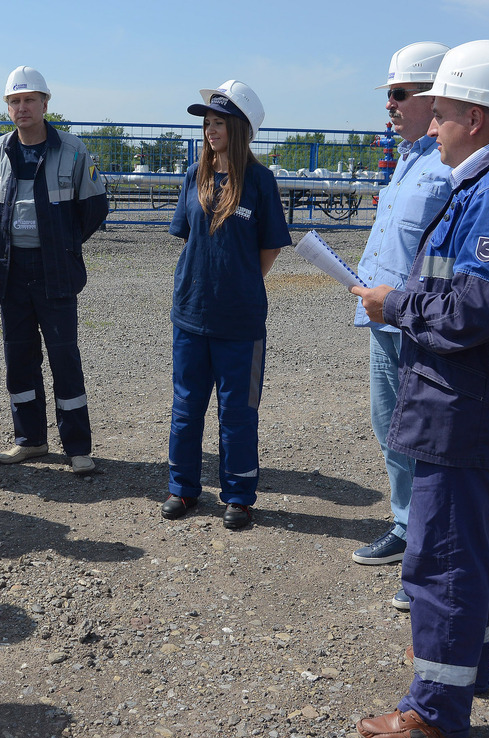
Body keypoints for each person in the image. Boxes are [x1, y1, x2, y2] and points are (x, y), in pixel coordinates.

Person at [352, 40, 489, 738]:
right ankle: (469, 666)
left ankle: (436, 707)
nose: (428, 125)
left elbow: (478, 311)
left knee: (440, 553)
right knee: (469, 547)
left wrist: (396, 305)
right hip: (468, 403)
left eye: (438, 113)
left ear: (475, 116)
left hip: (464, 405)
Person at [160, 80, 291, 529]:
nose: (211, 130)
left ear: (242, 129)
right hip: (191, 314)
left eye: (220, 122)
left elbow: (269, 247)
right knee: (186, 406)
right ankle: (183, 488)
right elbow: (189, 237)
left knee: (238, 412)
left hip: (240, 320)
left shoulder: (259, 182)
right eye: (208, 123)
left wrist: (239, 283)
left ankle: (238, 496)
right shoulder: (194, 177)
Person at [349, 44, 452, 611]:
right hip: (382, 318)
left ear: (433, 97)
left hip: (422, 325)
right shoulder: (410, 158)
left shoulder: (454, 165)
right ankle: (406, 525)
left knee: (428, 437)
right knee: (390, 426)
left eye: (398, 94)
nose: (389, 105)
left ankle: (432, 552)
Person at [0, 66, 108, 474]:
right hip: (11, 268)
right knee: (19, 357)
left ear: (46, 104)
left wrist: (61, 246)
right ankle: (30, 439)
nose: (22, 107)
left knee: (64, 356)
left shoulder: (73, 150)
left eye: (29, 99)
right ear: (7, 108)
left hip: (56, 269)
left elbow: (94, 207)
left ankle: (77, 446)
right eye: (14, 101)